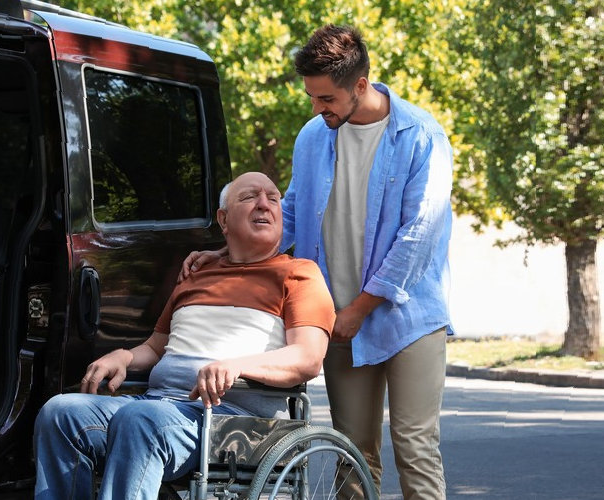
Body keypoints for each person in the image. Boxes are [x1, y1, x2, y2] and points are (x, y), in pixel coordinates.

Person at [184, 24, 454, 500]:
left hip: (407, 317)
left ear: (361, 86)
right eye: (312, 97)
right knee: (353, 449)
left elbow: (418, 238)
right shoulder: (314, 135)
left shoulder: (422, 137)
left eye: (326, 98)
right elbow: (291, 211)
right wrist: (227, 253)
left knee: (414, 445)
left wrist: (359, 309)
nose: (316, 108)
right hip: (337, 316)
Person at [34, 172, 335, 500]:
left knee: (140, 420)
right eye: (249, 197)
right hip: (158, 406)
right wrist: (124, 356)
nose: (264, 204)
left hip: (234, 420)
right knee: (61, 413)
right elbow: (156, 346)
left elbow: (307, 358)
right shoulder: (196, 275)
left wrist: (236, 366)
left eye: (273, 198)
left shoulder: (299, 273)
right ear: (223, 219)